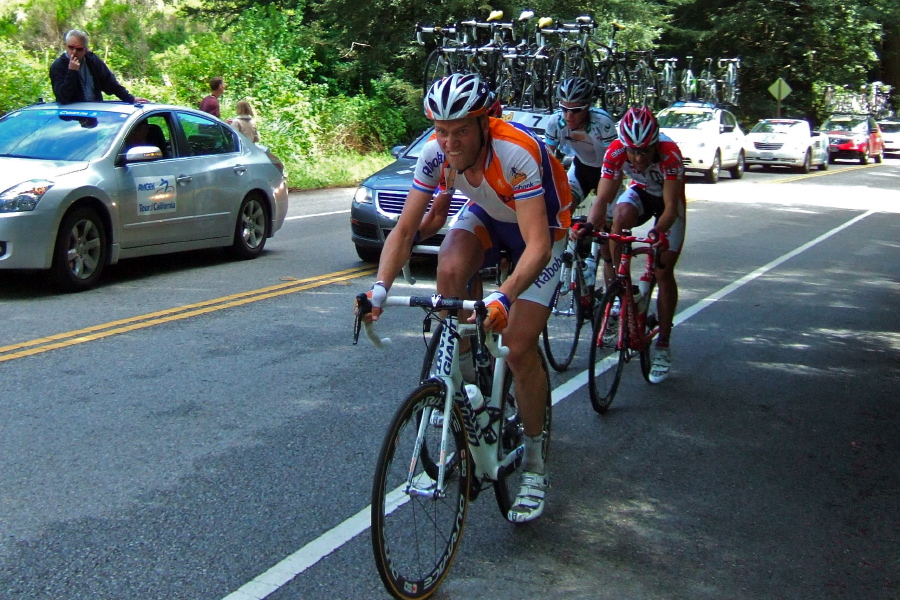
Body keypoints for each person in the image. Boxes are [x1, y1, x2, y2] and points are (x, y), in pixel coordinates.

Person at [359, 73, 571, 523]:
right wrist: (379, 288)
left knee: (518, 347)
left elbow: (537, 245)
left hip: (542, 231)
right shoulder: (435, 154)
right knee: (450, 269)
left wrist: (504, 297)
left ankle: (535, 465)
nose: (450, 143)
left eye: (460, 131)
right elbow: (406, 229)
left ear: (484, 124)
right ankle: (468, 380)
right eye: (441, 131)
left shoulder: (515, 151)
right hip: (491, 216)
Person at [584, 106, 686, 384]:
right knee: (618, 217)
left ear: (655, 145)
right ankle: (624, 287)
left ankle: (663, 344)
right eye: (633, 151)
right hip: (640, 192)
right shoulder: (616, 151)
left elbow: (670, 208)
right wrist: (590, 226)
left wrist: (657, 232)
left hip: (668, 203)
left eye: (645, 151)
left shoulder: (670, 153)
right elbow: (602, 199)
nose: (638, 158)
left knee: (663, 271)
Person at [543, 77, 617, 213]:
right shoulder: (555, 121)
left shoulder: (603, 122)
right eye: (564, 108)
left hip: (607, 172)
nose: (568, 116)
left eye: (576, 110)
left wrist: (601, 204)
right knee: (563, 209)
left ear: (588, 106)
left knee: (606, 219)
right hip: (581, 168)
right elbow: (546, 159)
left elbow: (615, 163)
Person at [49, 30, 148, 105]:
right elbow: (63, 98)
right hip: (71, 117)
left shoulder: (92, 60)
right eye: (71, 47)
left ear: (85, 50)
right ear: (66, 46)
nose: (74, 52)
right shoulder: (58, 66)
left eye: (79, 49)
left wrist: (130, 99)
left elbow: (110, 83)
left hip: (94, 111)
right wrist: (72, 72)